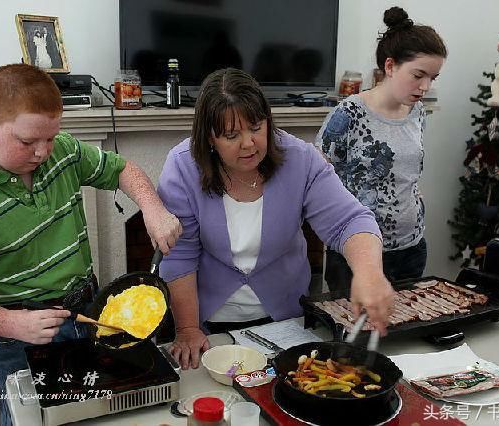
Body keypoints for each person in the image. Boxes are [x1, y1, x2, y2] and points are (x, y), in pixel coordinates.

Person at [0, 63, 181, 425]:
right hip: (15, 339)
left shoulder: (64, 152)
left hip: (87, 313)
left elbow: (122, 169)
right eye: (28, 141)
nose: (43, 152)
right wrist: (8, 322)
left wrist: (153, 208)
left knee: (92, 414)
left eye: (51, 137)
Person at [157, 68, 395, 370]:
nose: (248, 143)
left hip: (286, 318)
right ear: (209, 138)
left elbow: (349, 221)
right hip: (210, 325)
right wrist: (188, 329)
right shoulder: (183, 168)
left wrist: (369, 273)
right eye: (232, 135)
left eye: (256, 127)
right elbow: (180, 255)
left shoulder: (300, 159)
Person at [315, 7, 447, 297]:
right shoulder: (349, 113)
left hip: (411, 248)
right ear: (390, 66)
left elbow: (408, 171)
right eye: (418, 75)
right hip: (355, 255)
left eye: (433, 78)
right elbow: (316, 181)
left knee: (406, 332)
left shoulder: (418, 113)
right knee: (354, 337)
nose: (425, 86)